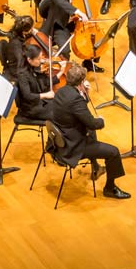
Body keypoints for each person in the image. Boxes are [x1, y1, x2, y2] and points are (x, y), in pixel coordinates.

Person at [52, 63, 130, 200]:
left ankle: (96, 167)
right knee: (113, 152)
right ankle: (110, 189)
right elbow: (92, 123)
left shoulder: (61, 91)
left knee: (90, 133)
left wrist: (84, 94)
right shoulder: (76, 99)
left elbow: (78, 112)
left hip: (61, 139)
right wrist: (101, 120)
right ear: (81, 82)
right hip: (73, 147)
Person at [12, 44, 57, 123]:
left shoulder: (33, 67)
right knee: (60, 116)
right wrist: (45, 95)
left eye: (41, 58)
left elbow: (44, 83)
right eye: (39, 59)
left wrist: (61, 71)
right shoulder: (22, 75)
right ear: (29, 59)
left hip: (39, 102)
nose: (42, 60)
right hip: (30, 109)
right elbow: (27, 96)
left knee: (62, 107)